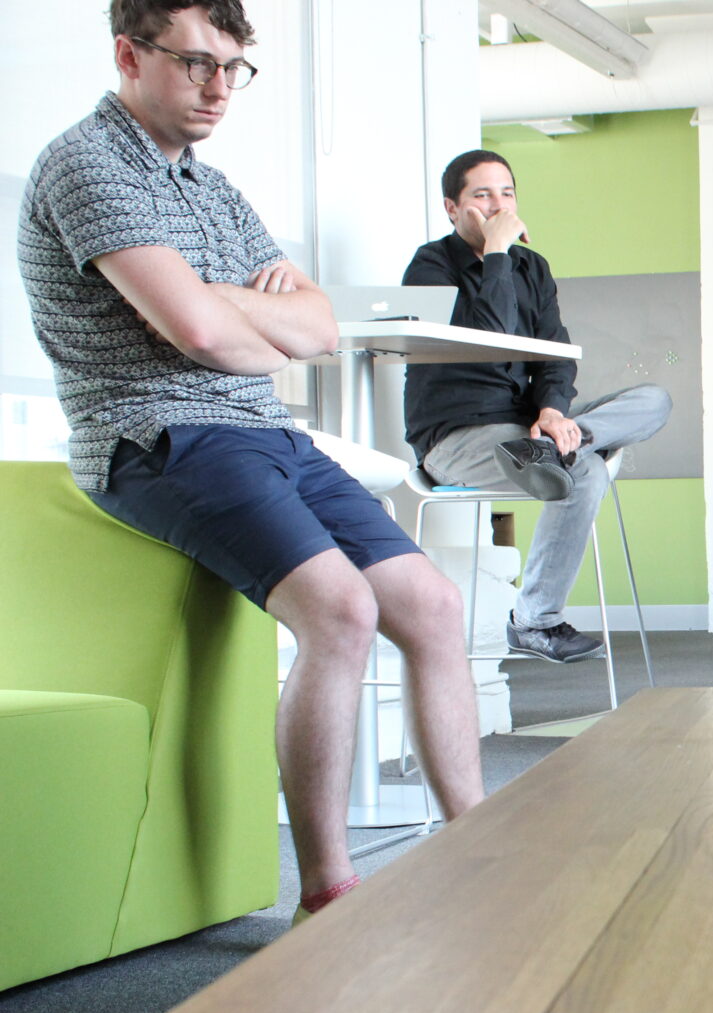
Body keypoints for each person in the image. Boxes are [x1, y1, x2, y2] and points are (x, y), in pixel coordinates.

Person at [18, 0, 484, 920]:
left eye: (234, 68)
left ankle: (478, 843)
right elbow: (199, 335)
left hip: (266, 435)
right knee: (342, 608)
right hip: (155, 435)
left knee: (432, 604)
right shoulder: (86, 164)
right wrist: (236, 316)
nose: (220, 89)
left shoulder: (210, 188)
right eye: (197, 65)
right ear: (129, 52)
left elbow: (313, 330)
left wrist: (228, 305)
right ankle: (327, 890)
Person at [403, 149, 672, 665]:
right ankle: (534, 621)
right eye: (482, 196)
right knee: (585, 475)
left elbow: (555, 355)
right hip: (457, 437)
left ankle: (563, 442)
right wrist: (497, 250)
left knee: (652, 400)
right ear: (451, 208)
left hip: (527, 427)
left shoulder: (533, 268)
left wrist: (552, 412)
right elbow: (489, 336)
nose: (498, 205)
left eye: (507, 193)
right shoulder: (430, 266)